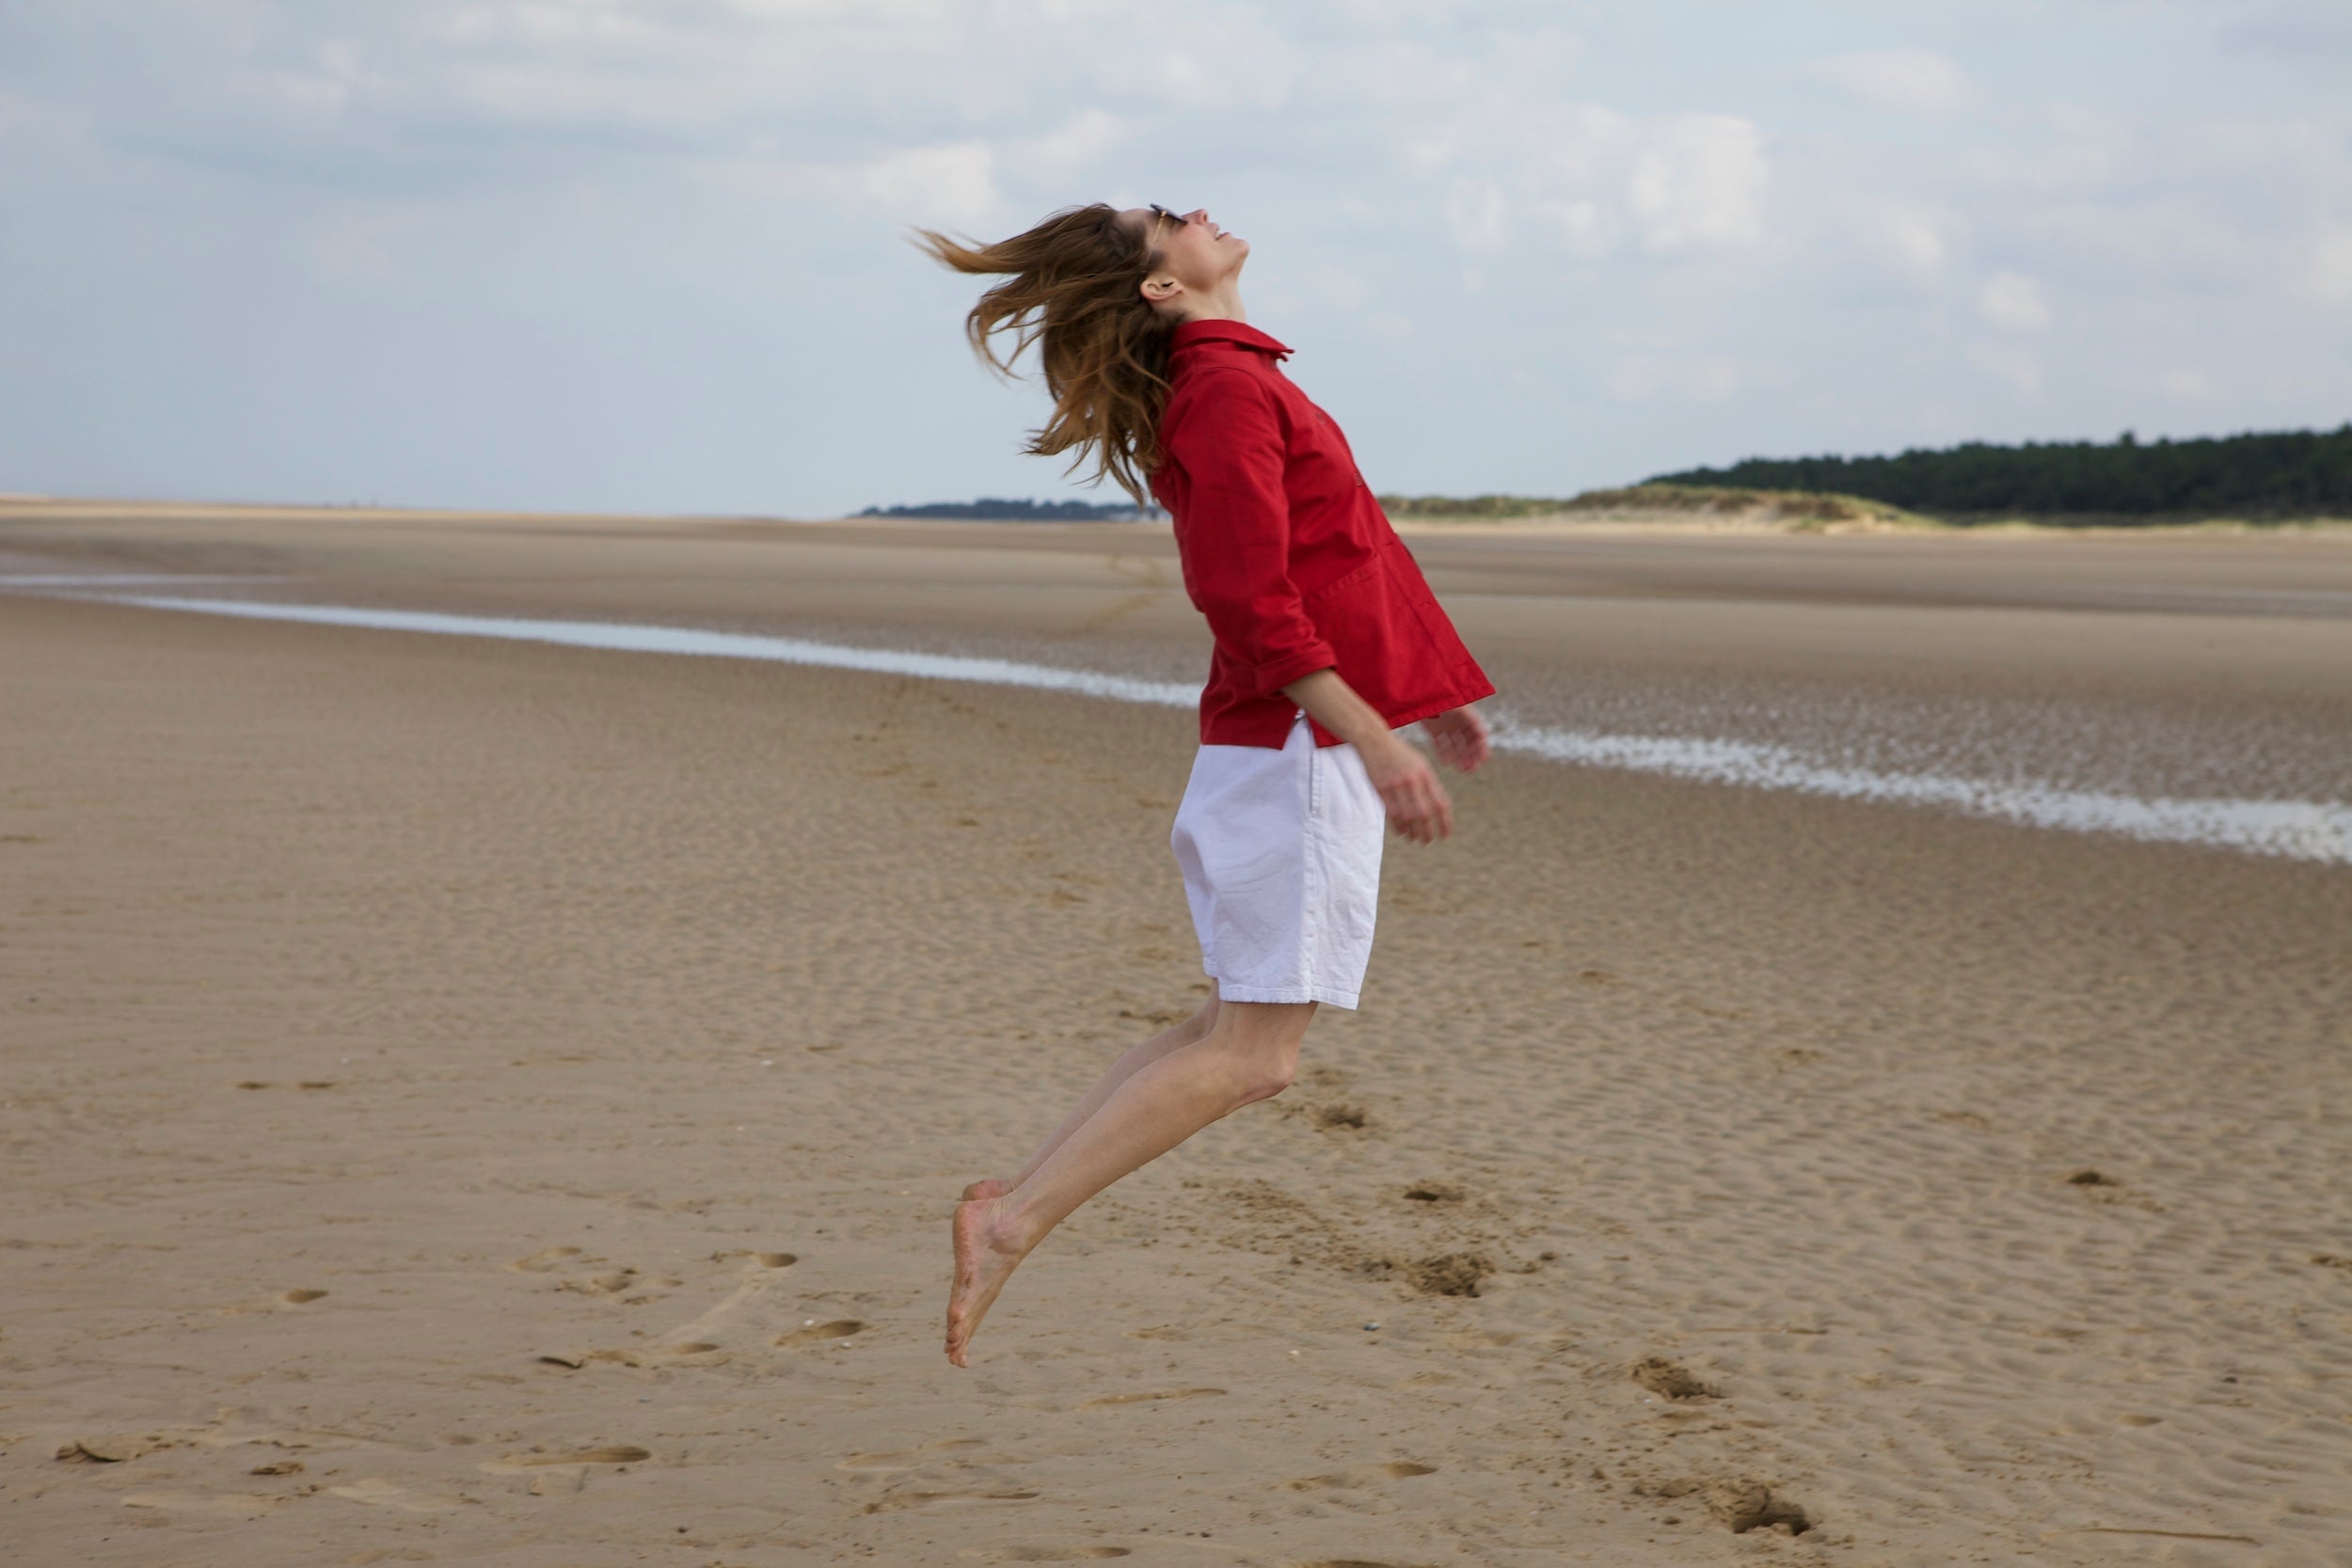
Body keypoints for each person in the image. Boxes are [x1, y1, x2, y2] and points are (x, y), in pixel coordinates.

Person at [914, 203, 1495, 1367]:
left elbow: (1346, 553)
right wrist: (1376, 740)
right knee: (1255, 1055)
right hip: (1295, 756)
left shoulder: (1236, 377)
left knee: (1226, 1025)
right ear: (1159, 288)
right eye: (1166, 221)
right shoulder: (1225, 390)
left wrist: (1427, 690)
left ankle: (1011, 1194)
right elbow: (1245, 595)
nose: (1199, 215)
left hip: (1275, 750)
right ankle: (1017, 1219)